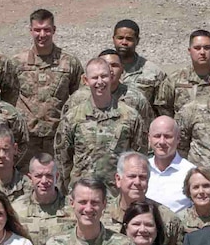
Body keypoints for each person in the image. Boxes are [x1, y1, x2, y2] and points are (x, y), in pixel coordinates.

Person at [58, 56, 146, 188]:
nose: (100, 82)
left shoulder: (130, 116)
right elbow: (63, 159)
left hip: (117, 196)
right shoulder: (72, 118)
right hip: (83, 197)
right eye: (94, 77)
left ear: (111, 77)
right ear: (86, 81)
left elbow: (140, 154)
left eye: (104, 76)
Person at [11, 8, 79, 161]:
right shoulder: (17, 63)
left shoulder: (69, 63)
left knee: (57, 181)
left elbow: (79, 97)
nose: (42, 35)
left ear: (54, 30)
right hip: (26, 139)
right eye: (37, 30)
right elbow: (7, 97)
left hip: (57, 139)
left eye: (47, 30)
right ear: (30, 30)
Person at [155, 29, 210, 120]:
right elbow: (163, 111)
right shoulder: (174, 79)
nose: (202, 52)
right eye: (197, 48)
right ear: (189, 51)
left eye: (207, 47)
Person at [111, 18, 164, 109]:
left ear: (137, 41)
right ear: (113, 39)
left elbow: (164, 109)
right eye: (120, 38)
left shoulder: (153, 72)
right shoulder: (100, 70)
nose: (124, 42)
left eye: (129, 39)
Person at [143, 116, 195, 207]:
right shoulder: (141, 169)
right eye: (157, 136)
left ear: (178, 139)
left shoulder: (191, 173)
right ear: (149, 138)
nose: (162, 142)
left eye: (167, 136)